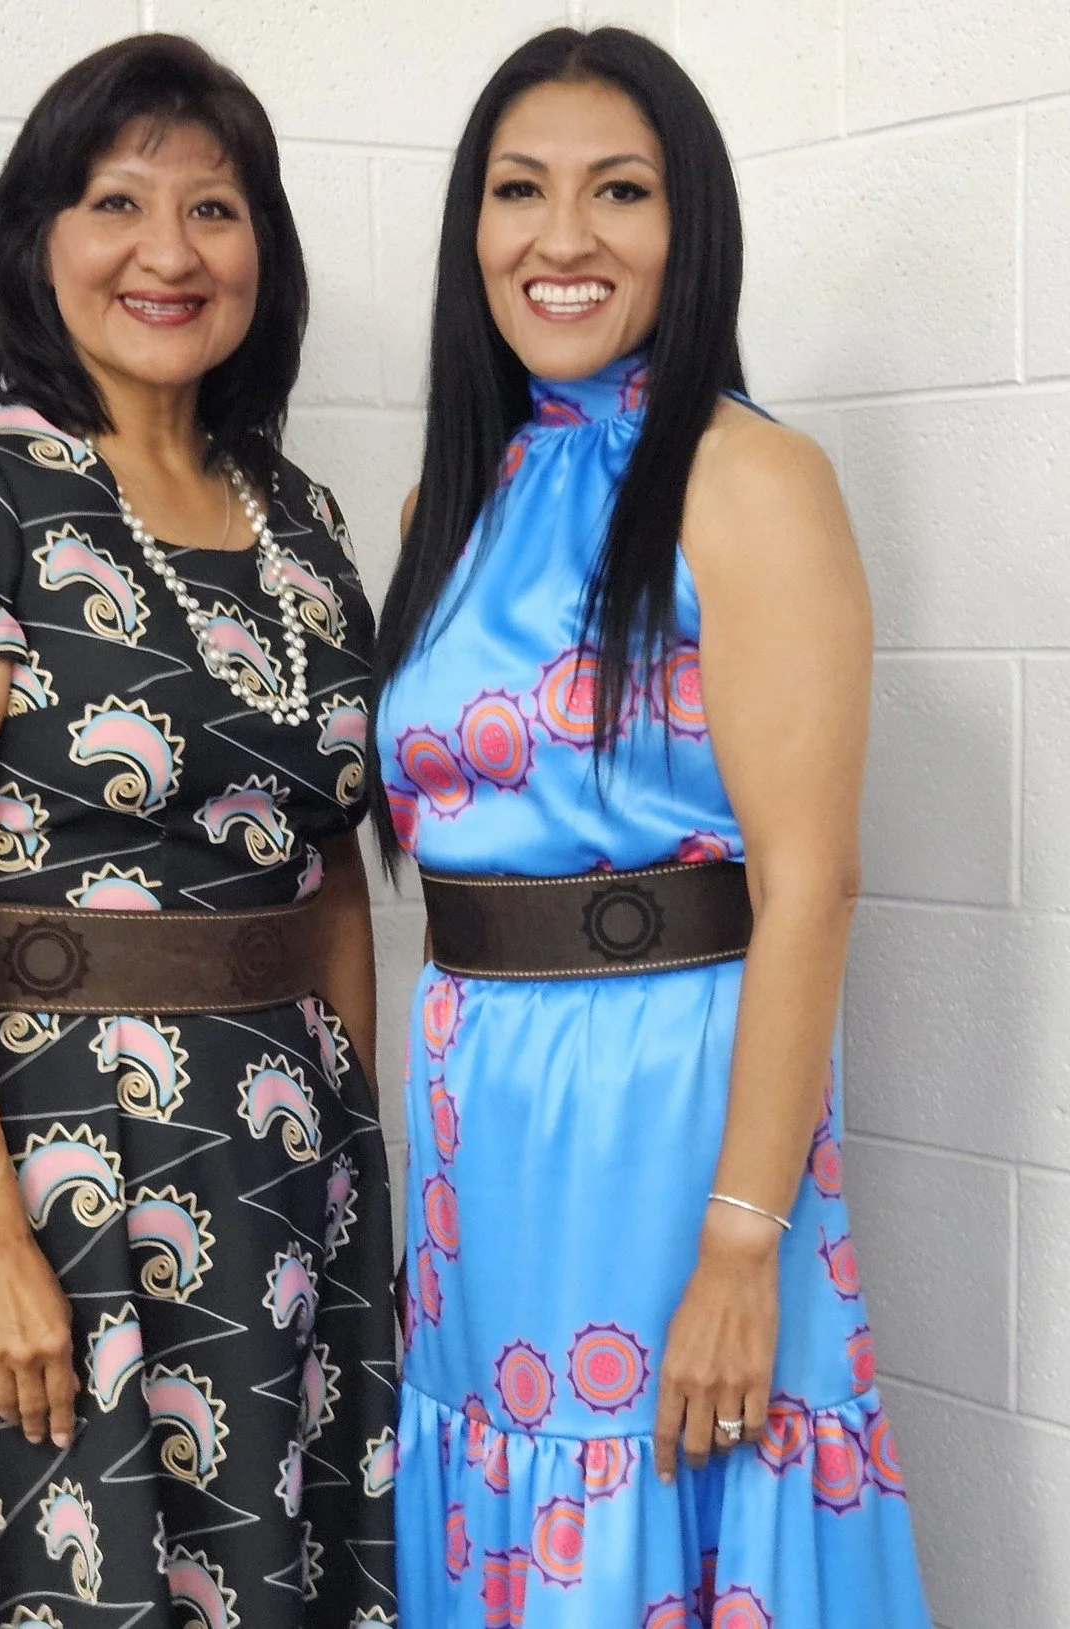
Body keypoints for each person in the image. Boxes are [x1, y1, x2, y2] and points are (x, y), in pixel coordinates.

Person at [0, 33, 396, 1629]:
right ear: (38, 239)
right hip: (43, 1145)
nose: (168, 252)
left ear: (263, 251)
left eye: (213, 209)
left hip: (283, 1160)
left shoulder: (301, 518)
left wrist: (364, 1152)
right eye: (117, 202)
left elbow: (329, 872)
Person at [371, 24, 931, 1628]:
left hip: (675, 1104)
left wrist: (743, 1243)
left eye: (619, 190)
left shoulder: (748, 477)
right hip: (483, 1112)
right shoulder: (447, 501)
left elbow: (811, 881)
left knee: (680, 1472)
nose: (563, 236)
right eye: (519, 190)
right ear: (471, 227)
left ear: (691, 225)